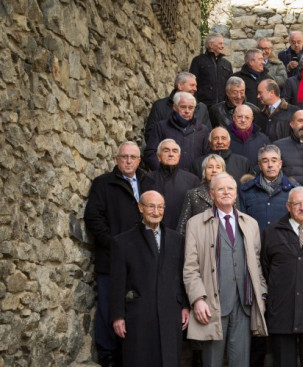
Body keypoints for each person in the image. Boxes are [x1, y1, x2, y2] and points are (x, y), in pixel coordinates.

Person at [183, 173, 268, 366]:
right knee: (212, 362)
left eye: (230, 188)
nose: (226, 192)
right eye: (220, 189)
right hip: (212, 305)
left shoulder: (251, 224)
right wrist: (197, 299)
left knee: (240, 362)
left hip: (244, 305)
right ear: (212, 194)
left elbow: (256, 264)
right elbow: (190, 268)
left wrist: (261, 296)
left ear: (236, 193)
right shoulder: (195, 224)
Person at [84, 141, 148, 367]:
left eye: (133, 157)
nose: (128, 161)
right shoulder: (103, 183)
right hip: (111, 258)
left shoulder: (147, 182)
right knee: (109, 307)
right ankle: (108, 356)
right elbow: (93, 217)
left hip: (141, 260)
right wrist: (115, 245)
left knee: (135, 308)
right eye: (124, 157)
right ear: (116, 159)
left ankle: (131, 353)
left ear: (140, 160)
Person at [110, 190, 190, 367]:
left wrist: (184, 305)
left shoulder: (177, 240)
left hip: (170, 311)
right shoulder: (122, 242)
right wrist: (118, 316)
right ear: (140, 208)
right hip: (138, 315)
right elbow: (117, 282)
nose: (156, 211)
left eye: (160, 207)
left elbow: (182, 275)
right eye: (151, 206)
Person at [261, 187, 303, 367]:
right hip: (282, 309)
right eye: (297, 203)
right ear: (288, 206)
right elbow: (265, 267)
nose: (302, 207)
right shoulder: (272, 231)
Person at [144, 91, 210, 173]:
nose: (187, 111)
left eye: (190, 108)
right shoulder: (161, 127)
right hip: (166, 180)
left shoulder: (203, 130)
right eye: (183, 107)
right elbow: (150, 153)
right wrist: (163, 172)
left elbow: (208, 157)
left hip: (195, 181)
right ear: (174, 107)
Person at [141, 139, 200, 232]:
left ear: (179, 156)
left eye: (175, 151)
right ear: (158, 156)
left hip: (183, 235)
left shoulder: (192, 180)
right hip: (154, 232)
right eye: (166, 151)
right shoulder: (147, 179)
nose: (171, 154)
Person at [238, 145, 300, 231]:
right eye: (265, 161)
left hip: (284, 243)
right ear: (260, 165)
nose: (270, 165)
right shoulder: (246, 190)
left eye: (274, 160)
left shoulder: (294, 190)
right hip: (255, 243)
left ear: (280, 164)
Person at [145, 72, 211, 142]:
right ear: (180, 85)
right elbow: (151, 134)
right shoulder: (160, 106)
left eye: (196, 86)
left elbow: (208, 135)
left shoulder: (202, 108)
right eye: (192, 85)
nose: (195, 89)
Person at [177, 154, 226, 234]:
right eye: (210, 167)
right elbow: (182, 228)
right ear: (204, 171)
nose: (214, 170)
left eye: (218, 167)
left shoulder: (230, 195)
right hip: (199, 243)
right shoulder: (192, 194)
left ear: (223, 171)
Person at [189, 32, 233, 106]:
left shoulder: (227, 64)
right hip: (203, 106)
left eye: (222, 44)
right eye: (220, 43)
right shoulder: (198, 61)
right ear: (211, 45)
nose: (222, 46)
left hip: (222, 107)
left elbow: (231, 85)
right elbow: (191, 83)